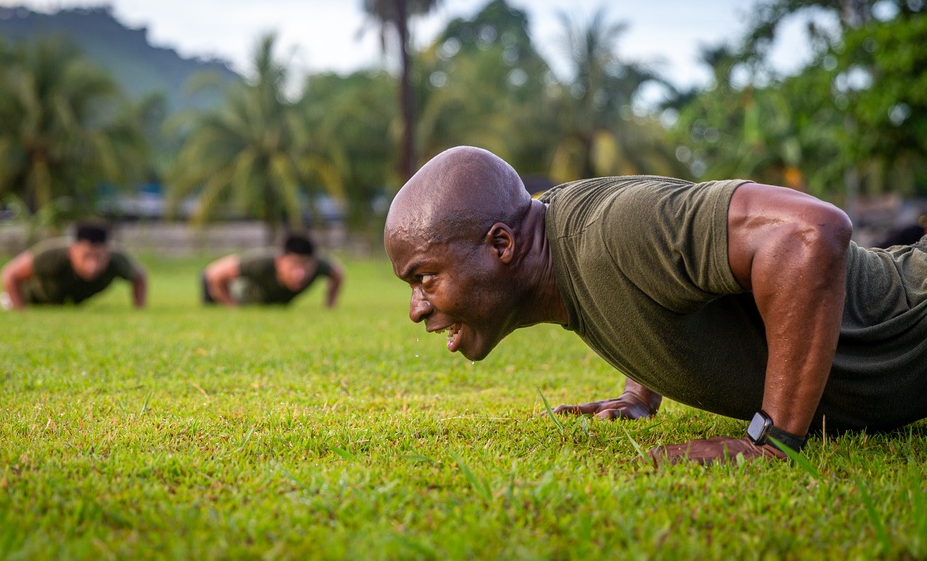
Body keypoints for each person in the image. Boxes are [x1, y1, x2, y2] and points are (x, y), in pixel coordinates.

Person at [383, 145, 927, 465]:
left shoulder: (611, 230)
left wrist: (771, 440)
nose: (415, 309)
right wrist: (638, 389)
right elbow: (663, 282)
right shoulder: (555, 245)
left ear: (501, 246)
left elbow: (812, 232)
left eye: (424, 278)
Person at [0, 221, 147, 309]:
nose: (93, 265)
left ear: (107, 252)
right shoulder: (51, 255)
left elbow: (140, 276)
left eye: (99, 257)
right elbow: (10, 274)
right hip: (34, 298)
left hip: (69, 301)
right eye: (86, 256)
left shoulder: (117, 260)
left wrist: (138, 310)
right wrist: (20, 310)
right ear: (73, 250)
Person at [201, 233, 344, 308]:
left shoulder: (320, 265)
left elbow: (338, 273)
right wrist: (232, 307)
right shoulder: (261, 263)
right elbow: (213, 274)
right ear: (280, 261)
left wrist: (329, 305)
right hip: (223, 292)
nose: (300, 273)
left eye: (306, 266)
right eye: (294, 265)